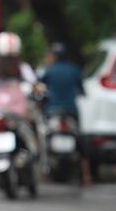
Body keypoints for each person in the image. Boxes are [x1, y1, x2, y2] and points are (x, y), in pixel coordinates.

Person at [38, 42, 93, 185]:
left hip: (52, 110)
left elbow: (39, 87)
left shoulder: (49, 71)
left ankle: (44, 169)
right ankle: (86, 175)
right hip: (71, 111)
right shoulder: (74, 70)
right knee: (80, 140)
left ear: (53, 56)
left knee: (43, 137)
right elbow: (82, 90)